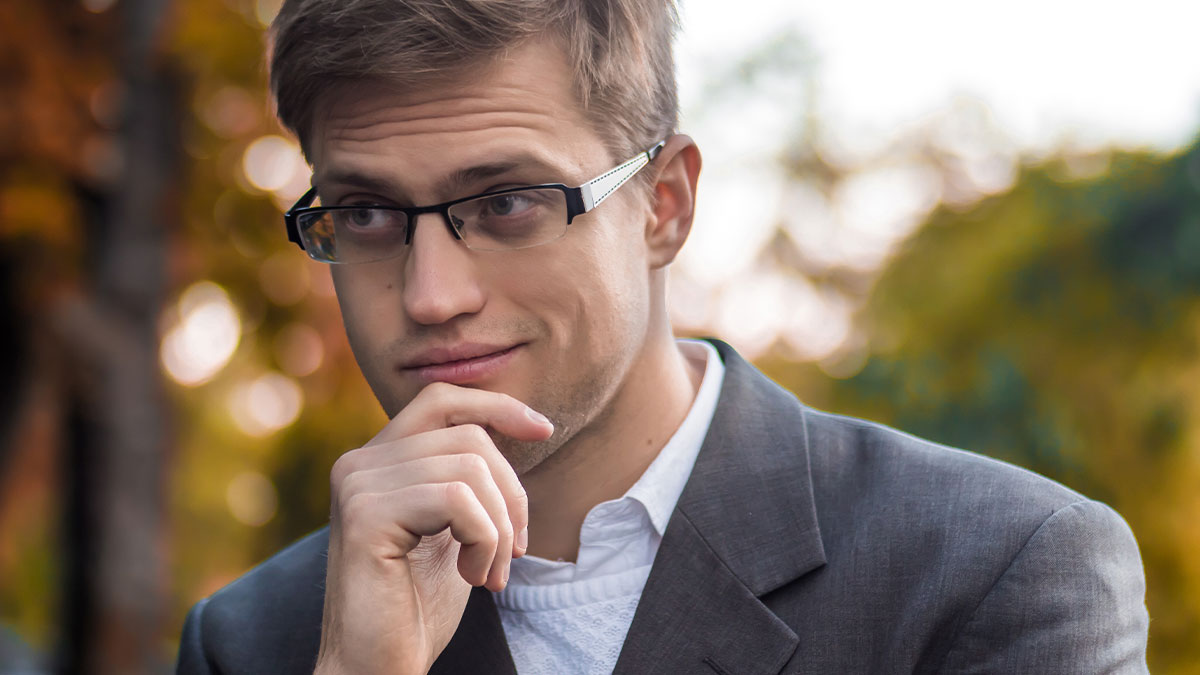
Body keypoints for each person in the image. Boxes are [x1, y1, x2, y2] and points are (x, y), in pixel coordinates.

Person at [176, 0, 1150, 672]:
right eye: (369, 215)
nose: (432, 295)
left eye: (509, 201)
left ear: (664, 205)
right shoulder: (260, 640)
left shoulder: (998, 573)